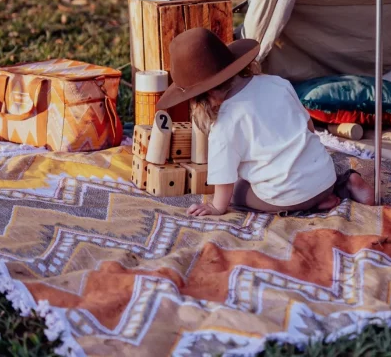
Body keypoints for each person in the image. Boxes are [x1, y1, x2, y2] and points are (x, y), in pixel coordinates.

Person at [157, 28, 374, 217]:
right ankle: (340, 186)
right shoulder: (277, 83)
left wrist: (217, 206)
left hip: (285, 194)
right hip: (324, 177)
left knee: (239, 192)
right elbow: (308, 128)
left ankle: (307, 204)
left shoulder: (224, 123)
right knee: (309, 164)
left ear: (203, 98)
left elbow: (224, 175)